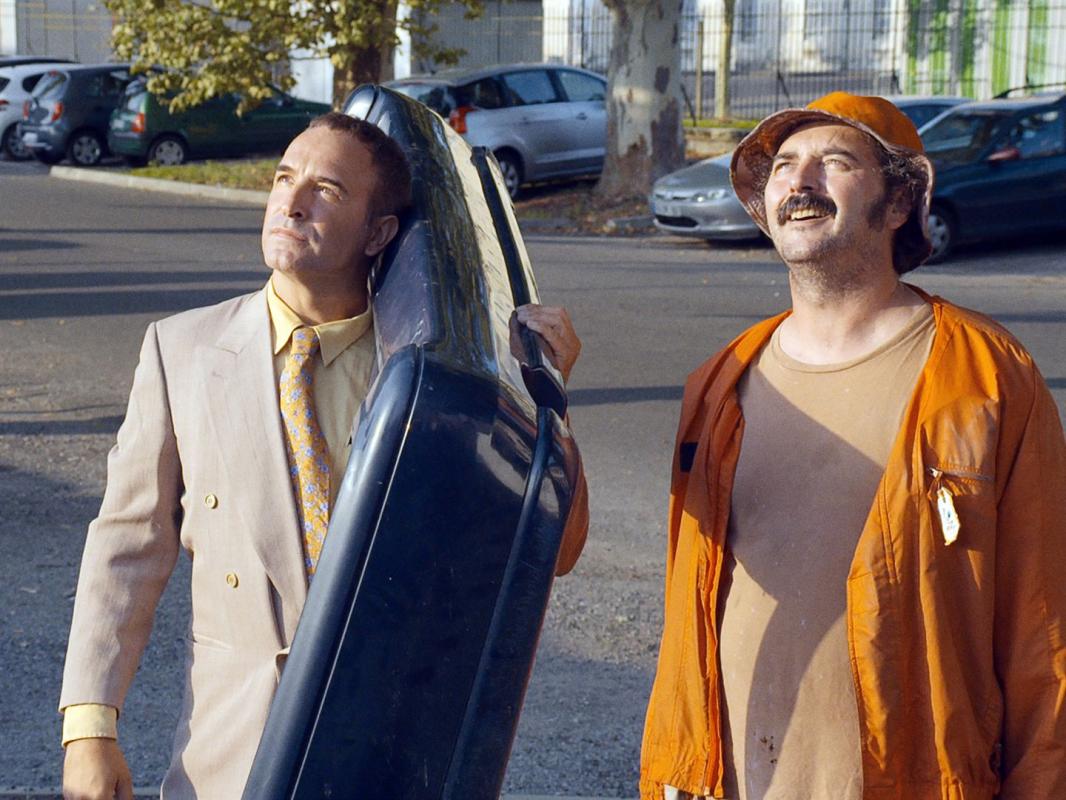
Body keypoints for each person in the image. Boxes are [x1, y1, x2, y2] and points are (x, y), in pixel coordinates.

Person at [60, 112, 587, 799]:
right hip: (227, 759)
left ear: (378, 233)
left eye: (327, 190)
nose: (291, 201)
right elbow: (126, 547)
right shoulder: (181, 350)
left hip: (386, 756)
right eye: (284, 178)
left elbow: (554, 551)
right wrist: (90, 728)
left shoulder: (427, 383)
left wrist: (550, 402)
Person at [640, 92, 1066, 800]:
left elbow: (1043, 630)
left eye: (834, 162)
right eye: (783, 166)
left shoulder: (987, 377)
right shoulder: (718, 383)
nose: (800, 183)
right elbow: (690, 612)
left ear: (898, 202)